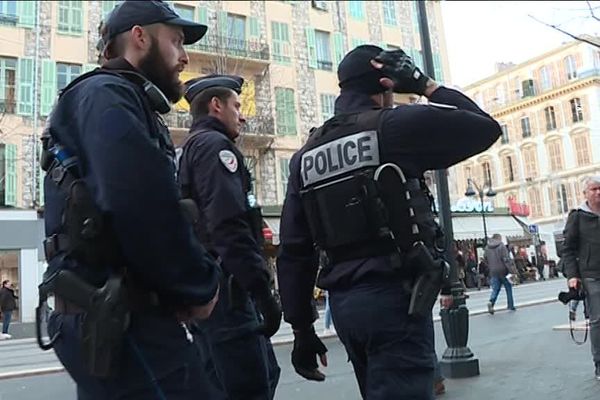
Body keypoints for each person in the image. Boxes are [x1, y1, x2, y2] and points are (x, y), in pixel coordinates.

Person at [276, 44, 501, 399]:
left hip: (346, 305)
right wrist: (425, 84)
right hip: (395, 297)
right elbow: (486, 129)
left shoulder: (305, 156)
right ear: (386, 84)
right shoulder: (392, 127)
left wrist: (302, 328)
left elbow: (293, 249)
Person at [41, 1, 224, 398]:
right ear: (139, 37)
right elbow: (141, 203)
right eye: (175, 41)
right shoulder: (108, 94)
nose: (185, 56)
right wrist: (198, 286)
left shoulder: (113, 98)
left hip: (116, 313)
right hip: (123, 319)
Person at [177, 74, 282, 399]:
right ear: (216, 106)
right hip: (228, 291)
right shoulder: (214, 148)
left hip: (211, 286)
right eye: (237, 106)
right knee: (249, 385)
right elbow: (228, 225)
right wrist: (261, 288)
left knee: (238, 379)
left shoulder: (191, 149)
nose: (243, 114)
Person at [562, 175, 600, 380]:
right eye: (594, 189)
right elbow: (567, 249)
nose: (598, 192)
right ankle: (599, 363)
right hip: (592, 275)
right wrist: (573, 276)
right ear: (585, 193)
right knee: (598, 320)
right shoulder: (577, 216)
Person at [484, 234, 516, 314]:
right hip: (503, 271)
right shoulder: (501, 246)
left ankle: (491, 302)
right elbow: (506, 260)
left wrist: (490, 267)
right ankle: (510, 305)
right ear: (498, 238)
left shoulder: (487, 248)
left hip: (493, 271)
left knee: (495, 289)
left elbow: (485, 259)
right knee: (508, 288)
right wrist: (511, 270)